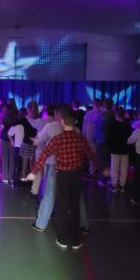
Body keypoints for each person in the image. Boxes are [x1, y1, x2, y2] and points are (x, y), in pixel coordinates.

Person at [26, 106, 97, 250]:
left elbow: (44, 155)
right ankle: (76, 240)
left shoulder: (57, 139)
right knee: (75, 206)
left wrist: (33, 172)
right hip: (76, 175)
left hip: (62, 174)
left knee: (62, 206)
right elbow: (90, 155)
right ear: (74, 121)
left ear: (62, 121)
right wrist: (101, 168)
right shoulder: (80, 137)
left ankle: (62, 239)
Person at [106, 107, 132, 193]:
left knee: (114, 168)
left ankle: (114, 185)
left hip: (115, 149)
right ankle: (122, 186)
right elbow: (130, 137)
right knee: (124, 168)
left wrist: (107, 147)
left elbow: (109, 138)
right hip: (125, 149)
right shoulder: (127, 125)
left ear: (116, 115)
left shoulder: (112, 125)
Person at [19, 101, 40, 178]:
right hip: (35, 143)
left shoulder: (24, 119)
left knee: (25, 165)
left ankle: (24, 179)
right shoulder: (39, 119)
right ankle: (32, 181)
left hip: (26, 143)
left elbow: (22, 133)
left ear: (28, 109)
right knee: (33, 164)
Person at [0, 105, 18, 184]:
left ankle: (5, 178)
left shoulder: (3, 118)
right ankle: (11, 177)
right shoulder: (15, 118)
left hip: (4, 138)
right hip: (12, 139)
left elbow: (1, 129)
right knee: (11, 158)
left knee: (4, 158)